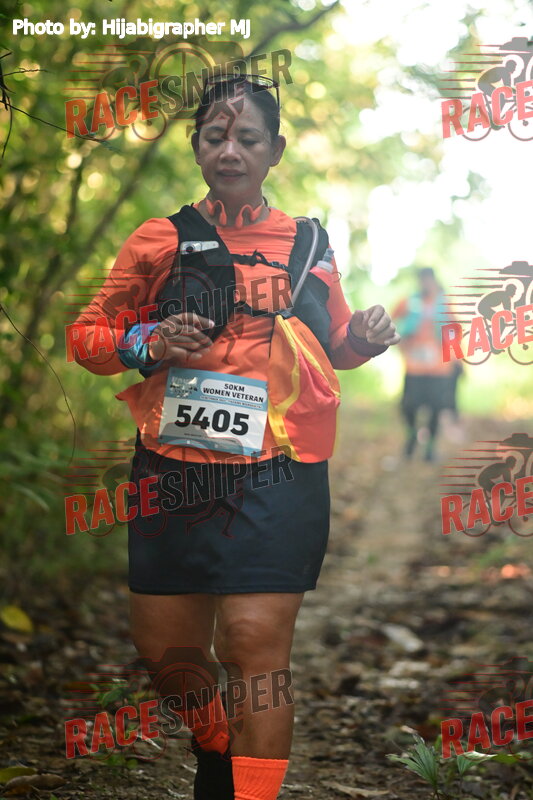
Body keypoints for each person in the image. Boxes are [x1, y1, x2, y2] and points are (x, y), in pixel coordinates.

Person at [70, 74, 400, 800]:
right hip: (171, 468)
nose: (230, 150)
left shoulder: (307, 243)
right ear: (196, 147)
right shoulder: (157, 238)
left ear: (274, 150)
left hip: (280, 469)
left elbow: (335, 344)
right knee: (170, 657)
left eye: (247, 138)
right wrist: (150, 342)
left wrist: (366, 339)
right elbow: (87, 339)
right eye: (215, 136)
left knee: (254, 645)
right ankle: (216, 744)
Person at [393, 267, 461, 462]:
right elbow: (392, 320)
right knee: (408, 406)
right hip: (415, 366)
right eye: (422, 280)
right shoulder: (410, 302)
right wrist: (401, 342)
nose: (425, 283)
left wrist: (455, 357)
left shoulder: (445, 304)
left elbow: (455, 330)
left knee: (435, 408)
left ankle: (430, 448)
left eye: (428, 279)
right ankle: (412, 436)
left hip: (439, 368)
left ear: (434, 280)